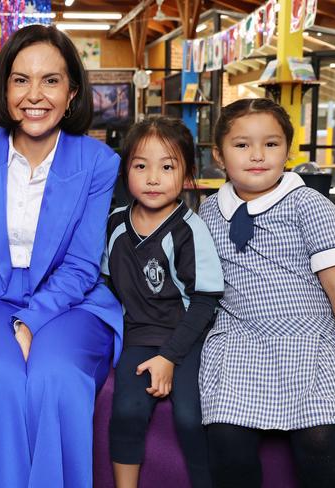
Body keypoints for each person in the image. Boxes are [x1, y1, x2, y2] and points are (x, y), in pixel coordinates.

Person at [0, 24, 122, 487]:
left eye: (51, 80)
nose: (33, 95)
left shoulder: (98, 162)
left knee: (55, 377)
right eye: (20, 79)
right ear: (4, 87)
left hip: (71, 300)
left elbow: (82, 264)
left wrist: (29, 321)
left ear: (72, 91)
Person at [199, 98, 335, 488]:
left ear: (288, 149)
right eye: (242, 144)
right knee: (227, 439)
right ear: (218, 154)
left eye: (271, 143)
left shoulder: (309, 205)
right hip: (239, 342)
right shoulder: (208, 212)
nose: (257, 155)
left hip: (310, 338)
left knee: (322, 438)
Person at [104, 117, 223, 488]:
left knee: (190, 417)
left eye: (167, 166)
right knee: (125, 411)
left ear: (187, 173)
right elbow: (108, 283)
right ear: (126, 171)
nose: (153, 178)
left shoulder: (190, 229)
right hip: (138, 336)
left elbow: (205, 302)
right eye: (141, 166)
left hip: (186, 336)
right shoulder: (115, 223)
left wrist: (170, 357)